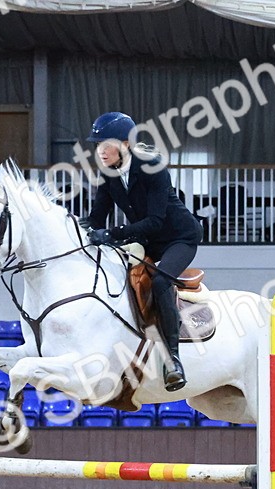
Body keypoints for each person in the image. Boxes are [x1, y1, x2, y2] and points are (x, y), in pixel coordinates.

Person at [83, 111, 202, 392]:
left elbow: (156, 221)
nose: (100, 151)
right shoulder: (108, 174)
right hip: (146, 237)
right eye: (97, 146)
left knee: (160, 281)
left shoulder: (152, 167)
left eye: (106, 145)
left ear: (125, 144)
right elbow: (96, 218)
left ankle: (173, 359)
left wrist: (112, 234)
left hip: (178, 237)